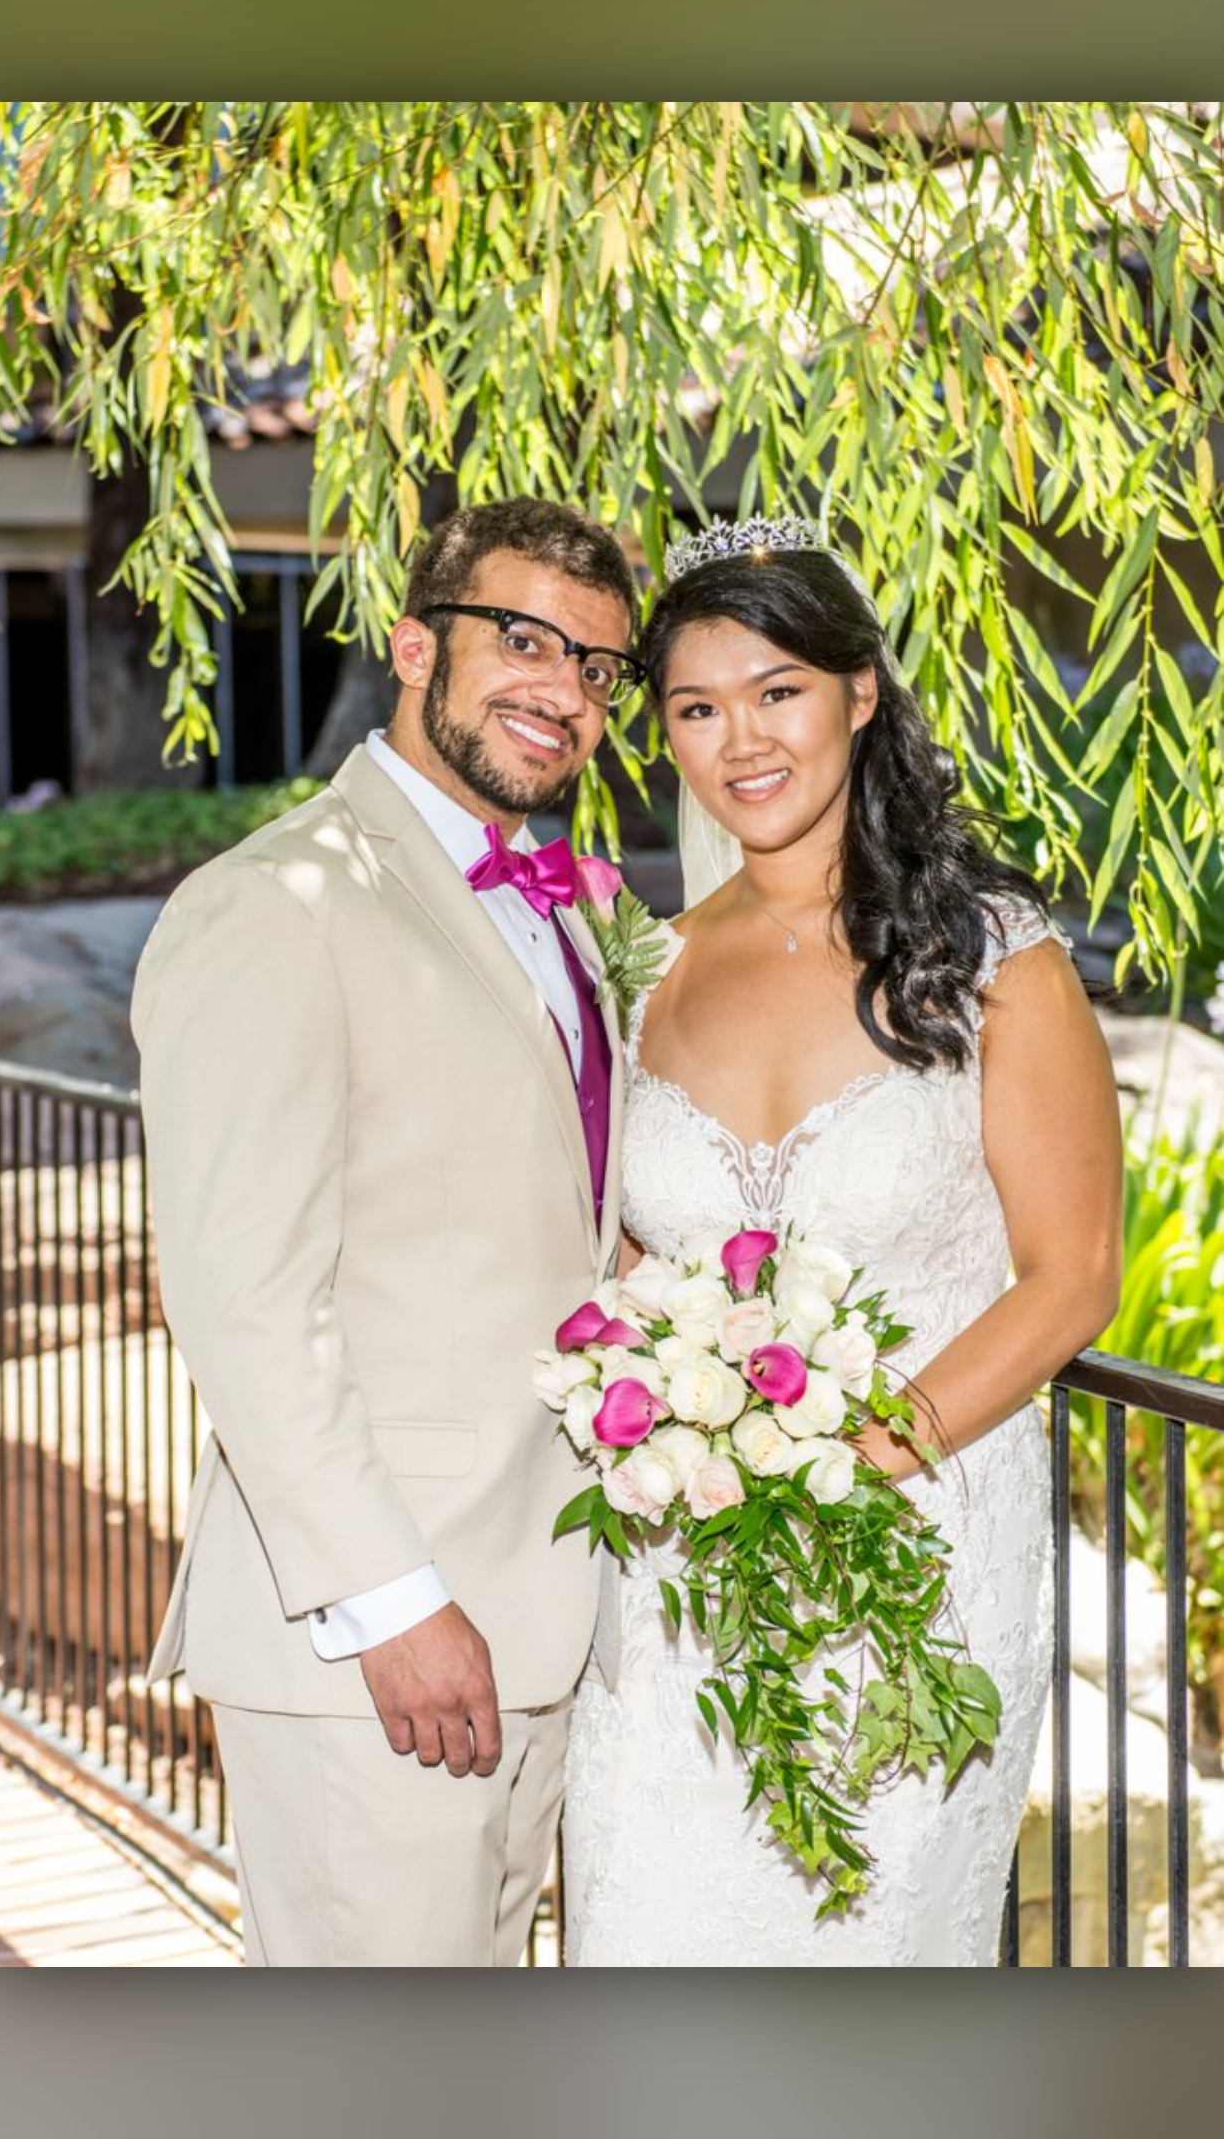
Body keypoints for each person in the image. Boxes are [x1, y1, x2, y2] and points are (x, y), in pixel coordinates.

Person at [562, 517, 1123, 1967]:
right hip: (681, 1572)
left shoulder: (995, 960)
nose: (737, 739)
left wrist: (856, 1456)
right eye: (694, 707)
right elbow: (630, 1264)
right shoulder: (648, 966)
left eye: (775, 691)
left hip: (915, 1566)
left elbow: (1071, 1277)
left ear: (857, 692)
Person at [134, 496, 642, 1966]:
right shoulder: (275, 904)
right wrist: (395, 1602)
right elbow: (242, 1297)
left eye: (598, 665)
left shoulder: (554, 908)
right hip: (379, 1635)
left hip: (546, 1608)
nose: (563, 690)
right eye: (524, 640)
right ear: (418, 644)